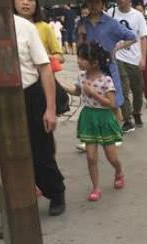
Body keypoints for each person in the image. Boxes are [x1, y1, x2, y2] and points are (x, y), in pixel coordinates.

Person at [14, 14, 66, 215]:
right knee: (4, 158)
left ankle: (55, 192)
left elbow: (45, 67)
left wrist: (50, 108)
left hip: (30, 96)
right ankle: (13, 206)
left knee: (40, 152)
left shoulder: (25, 27)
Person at [62, 42, 125, 202]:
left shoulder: (106, 80)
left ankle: (118, 171)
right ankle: (96, 187)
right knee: (91, 157)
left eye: (82, 58)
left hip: (104, 118)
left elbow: (111, 103)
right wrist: (61, 86)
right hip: (88, 117)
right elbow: (77, 91)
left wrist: (93, 93)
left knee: (112, 157)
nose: (78, 61)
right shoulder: (81, 77)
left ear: (95, 62)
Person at [108, 0, 147, 133]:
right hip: (117, 57)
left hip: (134, 58)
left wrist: (143, 58)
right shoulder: (111, 12)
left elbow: (143, 38)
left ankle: (136, 112)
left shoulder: (138, 15)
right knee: (123, 89)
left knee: (138, 90)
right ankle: (127, 120)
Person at [133, 0, 147, 108]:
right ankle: (137, 100)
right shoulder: (130, 24)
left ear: (144, 11)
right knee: (135, 79)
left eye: (140, 10)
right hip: (134, 54)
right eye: (136, 10)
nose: (138, 13)